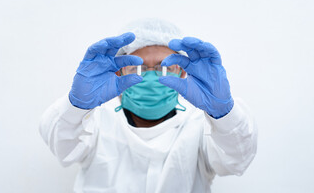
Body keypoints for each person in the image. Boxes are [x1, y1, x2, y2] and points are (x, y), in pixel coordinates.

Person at [39, 19, 257, 193]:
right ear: (119, 70)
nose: (151, 78)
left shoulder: (200, 125)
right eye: (138, 68)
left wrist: (224, 114)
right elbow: (62, 148)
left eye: (164, 67)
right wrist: (76, 106)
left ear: (182, 72)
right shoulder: (96, 120)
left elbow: (236, 161)